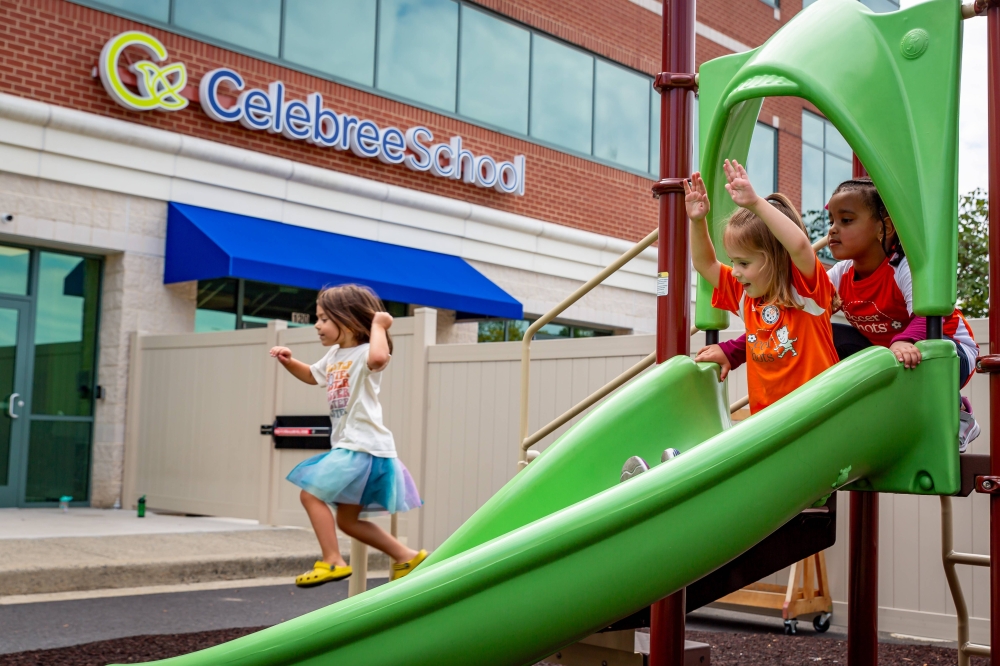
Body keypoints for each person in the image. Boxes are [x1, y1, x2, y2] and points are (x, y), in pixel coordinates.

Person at [698, 177, 981, 451]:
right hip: (889, 351)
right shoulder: (840, 275)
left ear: (885, 227)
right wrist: (733, 351)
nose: (832, 230)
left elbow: (933, 316)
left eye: (846, 221)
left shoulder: (904, 269)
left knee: (928, 354)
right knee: (831, 335)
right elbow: (790, 324)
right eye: (831, 221)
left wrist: (903, 341)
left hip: (947, 346)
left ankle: (957, 413)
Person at [270, 284, 426, 587]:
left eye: (325, 319)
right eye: (318, 318)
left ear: (350, 319)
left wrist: (378, 325)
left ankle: (332, 561)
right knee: (347, 520)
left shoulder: (367, 352)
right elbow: (311, 376)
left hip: (362, 446)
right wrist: (289, 362)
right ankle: (406, 555)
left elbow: (380, 359)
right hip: (352, 446)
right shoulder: (334, 355)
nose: (317, 325)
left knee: (310, 492)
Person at [685, 161, 839, 415]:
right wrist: (698, 221)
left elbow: (800, 247)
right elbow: (705, 263)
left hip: (817, 414)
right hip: (768, 421)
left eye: (744, 262)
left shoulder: (807, 291)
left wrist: (755, 203)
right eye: (733, 261)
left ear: (776, 258)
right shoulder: (745, 296)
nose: (735, 271)